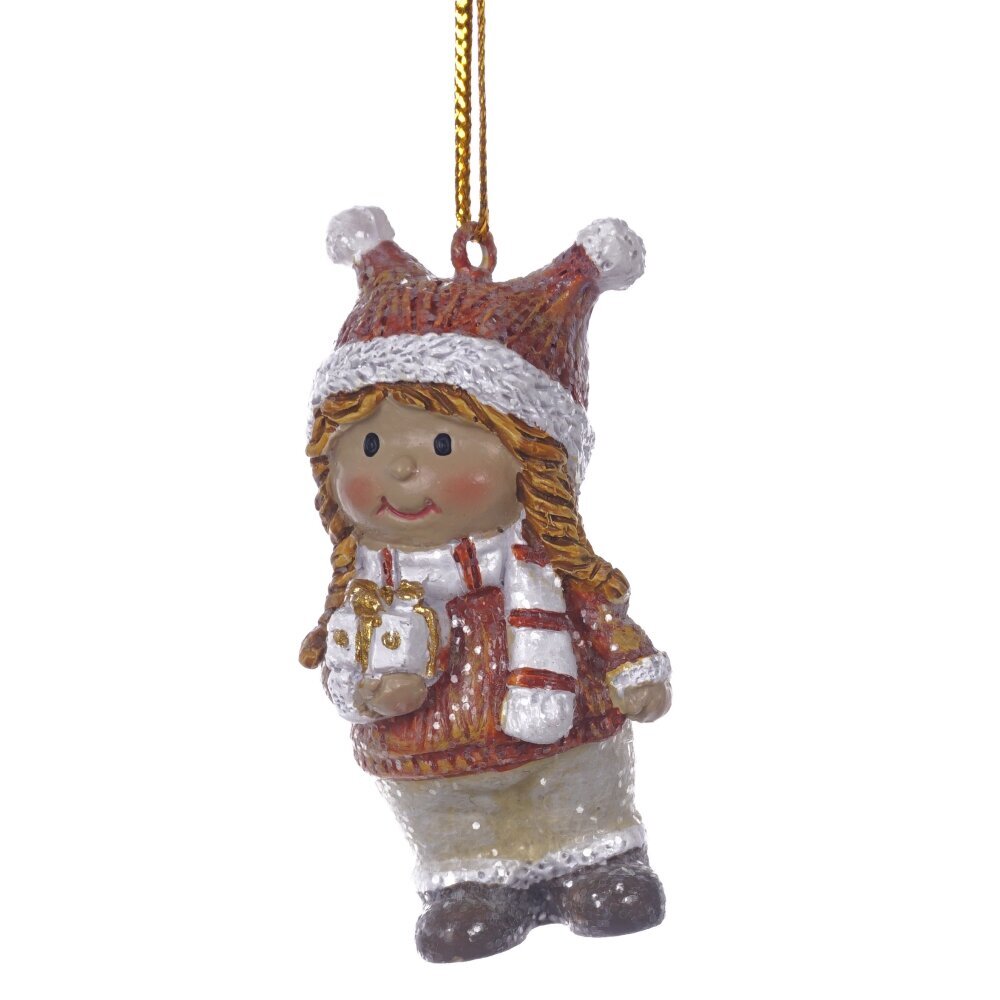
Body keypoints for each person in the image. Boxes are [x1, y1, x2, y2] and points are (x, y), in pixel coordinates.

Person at [300, 207, 672, 962]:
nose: (401, 467)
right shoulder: (368, 590)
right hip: (429, 746)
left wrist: (632, 666)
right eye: (368, 445)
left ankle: (597, 863)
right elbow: (342, 662)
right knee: (450, 815)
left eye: (443, 442)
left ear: (531, 461)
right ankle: (471, 884)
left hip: (561, 723)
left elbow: (596, 610)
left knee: (578, 789)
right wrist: (370, 694)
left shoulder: (541, 564)